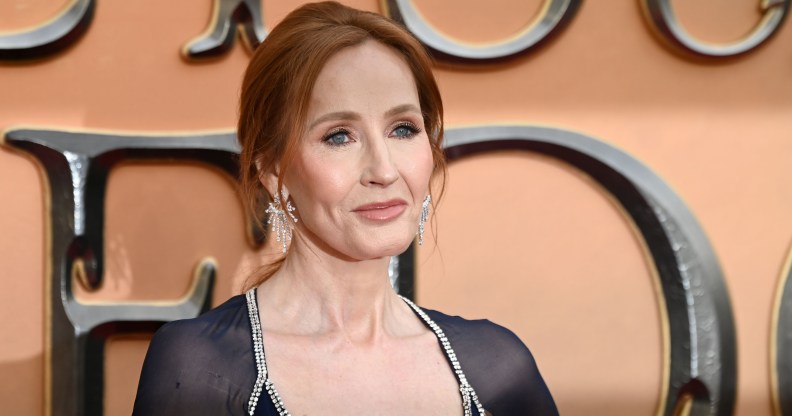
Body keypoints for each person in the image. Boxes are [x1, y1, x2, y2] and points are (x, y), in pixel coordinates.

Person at [133, 2, 557, 415]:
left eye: (403, 129)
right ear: (274, 170)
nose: (384, 170)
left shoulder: (498, 370)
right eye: (339, 136)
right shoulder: (200, 368)